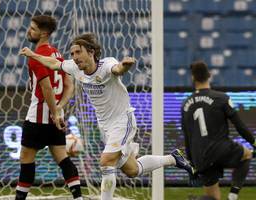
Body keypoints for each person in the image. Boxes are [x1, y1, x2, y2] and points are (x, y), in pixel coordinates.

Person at [19, 33, 195, 200]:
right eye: (72, 53)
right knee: (132, 170)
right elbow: (53, 63)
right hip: (105, 126)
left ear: (91, 52)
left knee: (105, 161)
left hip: (122, 120)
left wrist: (125, 66)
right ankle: (173, 158)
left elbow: (117, 69)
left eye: (78, 52)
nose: (74, 56)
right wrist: (33, 54)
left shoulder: (106, 65)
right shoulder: (75, 67)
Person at [15, 15, 83, 200]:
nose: (29, 31)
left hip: (39, 117)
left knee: (26, 159)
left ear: (44, 33)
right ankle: (78, 197)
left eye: (33, 28)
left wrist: (53, 112)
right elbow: (70, 85)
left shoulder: (37, 55)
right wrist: (59, 109)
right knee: (62, 157)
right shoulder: (57, 54)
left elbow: (46, 88)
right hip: (56, 117)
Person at [181, 61, 256, 200]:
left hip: (200, 156)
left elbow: (187, 137)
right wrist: (254, 142)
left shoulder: (185, 104)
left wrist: (192, 164)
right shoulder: (221, 98)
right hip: (220, 149)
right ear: (209, 75)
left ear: (193, 78)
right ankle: (233, 195)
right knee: (247, 155)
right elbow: (239, 126)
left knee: (214, 198)